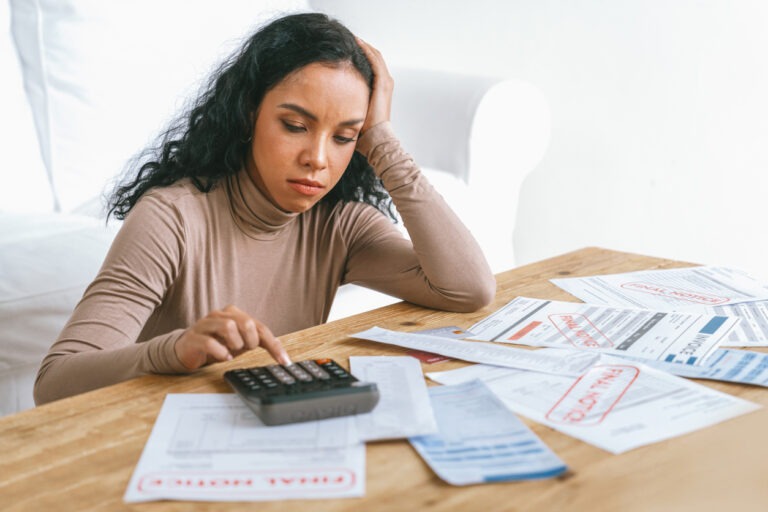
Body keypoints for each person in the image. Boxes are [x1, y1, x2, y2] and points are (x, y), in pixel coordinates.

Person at [34, 12, 495, 405]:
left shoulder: (340, 223)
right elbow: (54, 382)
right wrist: (172, 350)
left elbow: (468, 288)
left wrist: (382, 142)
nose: (318, 158)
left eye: (344, 136)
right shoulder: (171, 217)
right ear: (248, 113)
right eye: (295, 125)